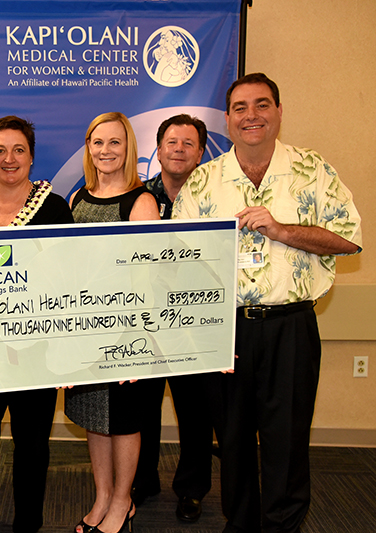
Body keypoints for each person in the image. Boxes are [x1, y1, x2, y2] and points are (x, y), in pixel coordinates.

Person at [172, 73, 362, 533]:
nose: (251, 116)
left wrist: (279, 230)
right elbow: (177, 256)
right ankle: (240, 523)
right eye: (240, 108)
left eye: (261, 105)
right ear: (228, 118)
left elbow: (348, 240)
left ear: (278, 112)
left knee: (288, 438)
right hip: (226, 330)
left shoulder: (312, 170)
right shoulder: (204, 181)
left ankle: (284, 525)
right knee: (232, 439)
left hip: (290, 327)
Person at [0, 116, 74, 533]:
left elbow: (67, 280)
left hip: (36, 348)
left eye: (18, 151)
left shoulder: (54, 208)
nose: (9, 159)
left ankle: (28, 518)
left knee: (32, 441)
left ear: (31, 157)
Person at [66, 112, 160, 533]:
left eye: (115, 143)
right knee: (94, 417)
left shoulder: (141, 202)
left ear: (129, 149)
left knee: (123, 421)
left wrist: (135, 342)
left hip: (125, 331)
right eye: (98, 142)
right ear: (89, 147)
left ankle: (124, 501)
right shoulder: (77, 200)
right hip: (85, 330)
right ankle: (102, 496)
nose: (106, 151)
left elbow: (148, 277)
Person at [133, 114, 217, 522]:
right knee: (143, 409)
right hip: (146, 325)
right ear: (159, 149)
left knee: (195, 412)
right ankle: (142, 480)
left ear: (201, 152)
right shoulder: (139, 197)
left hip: (194, 323)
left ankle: (192, 489)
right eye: (172, 142)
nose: (179, 149)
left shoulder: (216, 199)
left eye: (188, 143)